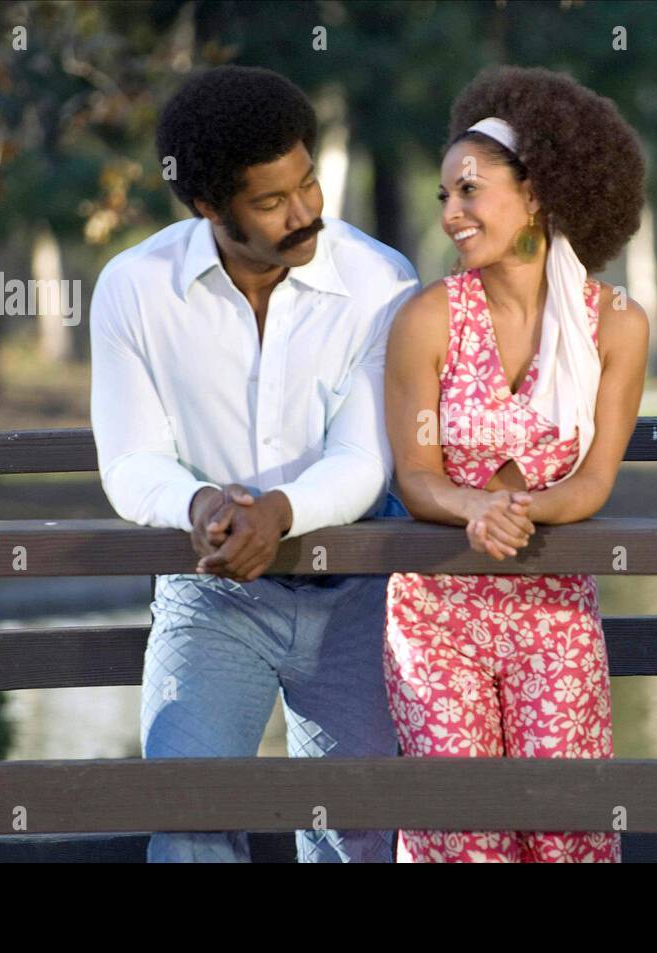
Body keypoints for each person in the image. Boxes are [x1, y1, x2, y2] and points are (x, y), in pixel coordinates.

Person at [89, 65, 418, 862]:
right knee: (189, 815)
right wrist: (203, 504)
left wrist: (276, 513)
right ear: (209, 207)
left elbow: (363, 457)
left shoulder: (382, 282)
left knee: (362, 831)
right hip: (214, 595)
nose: (305, 213)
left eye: (307, 182)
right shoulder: (134, 289)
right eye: (272, 202)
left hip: (357, 588)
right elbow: (131, 459)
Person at [383, 65, 649, 862]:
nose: (453, 214)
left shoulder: (617, 327)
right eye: (444, 198)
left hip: (554, 609)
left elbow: (596, 478)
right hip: (437, 614)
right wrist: (473, 508)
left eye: (470, 190)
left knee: (566, 828)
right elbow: (415, 473)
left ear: (538, 193)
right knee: (457, 834)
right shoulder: (427, 319)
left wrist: (525, 511)